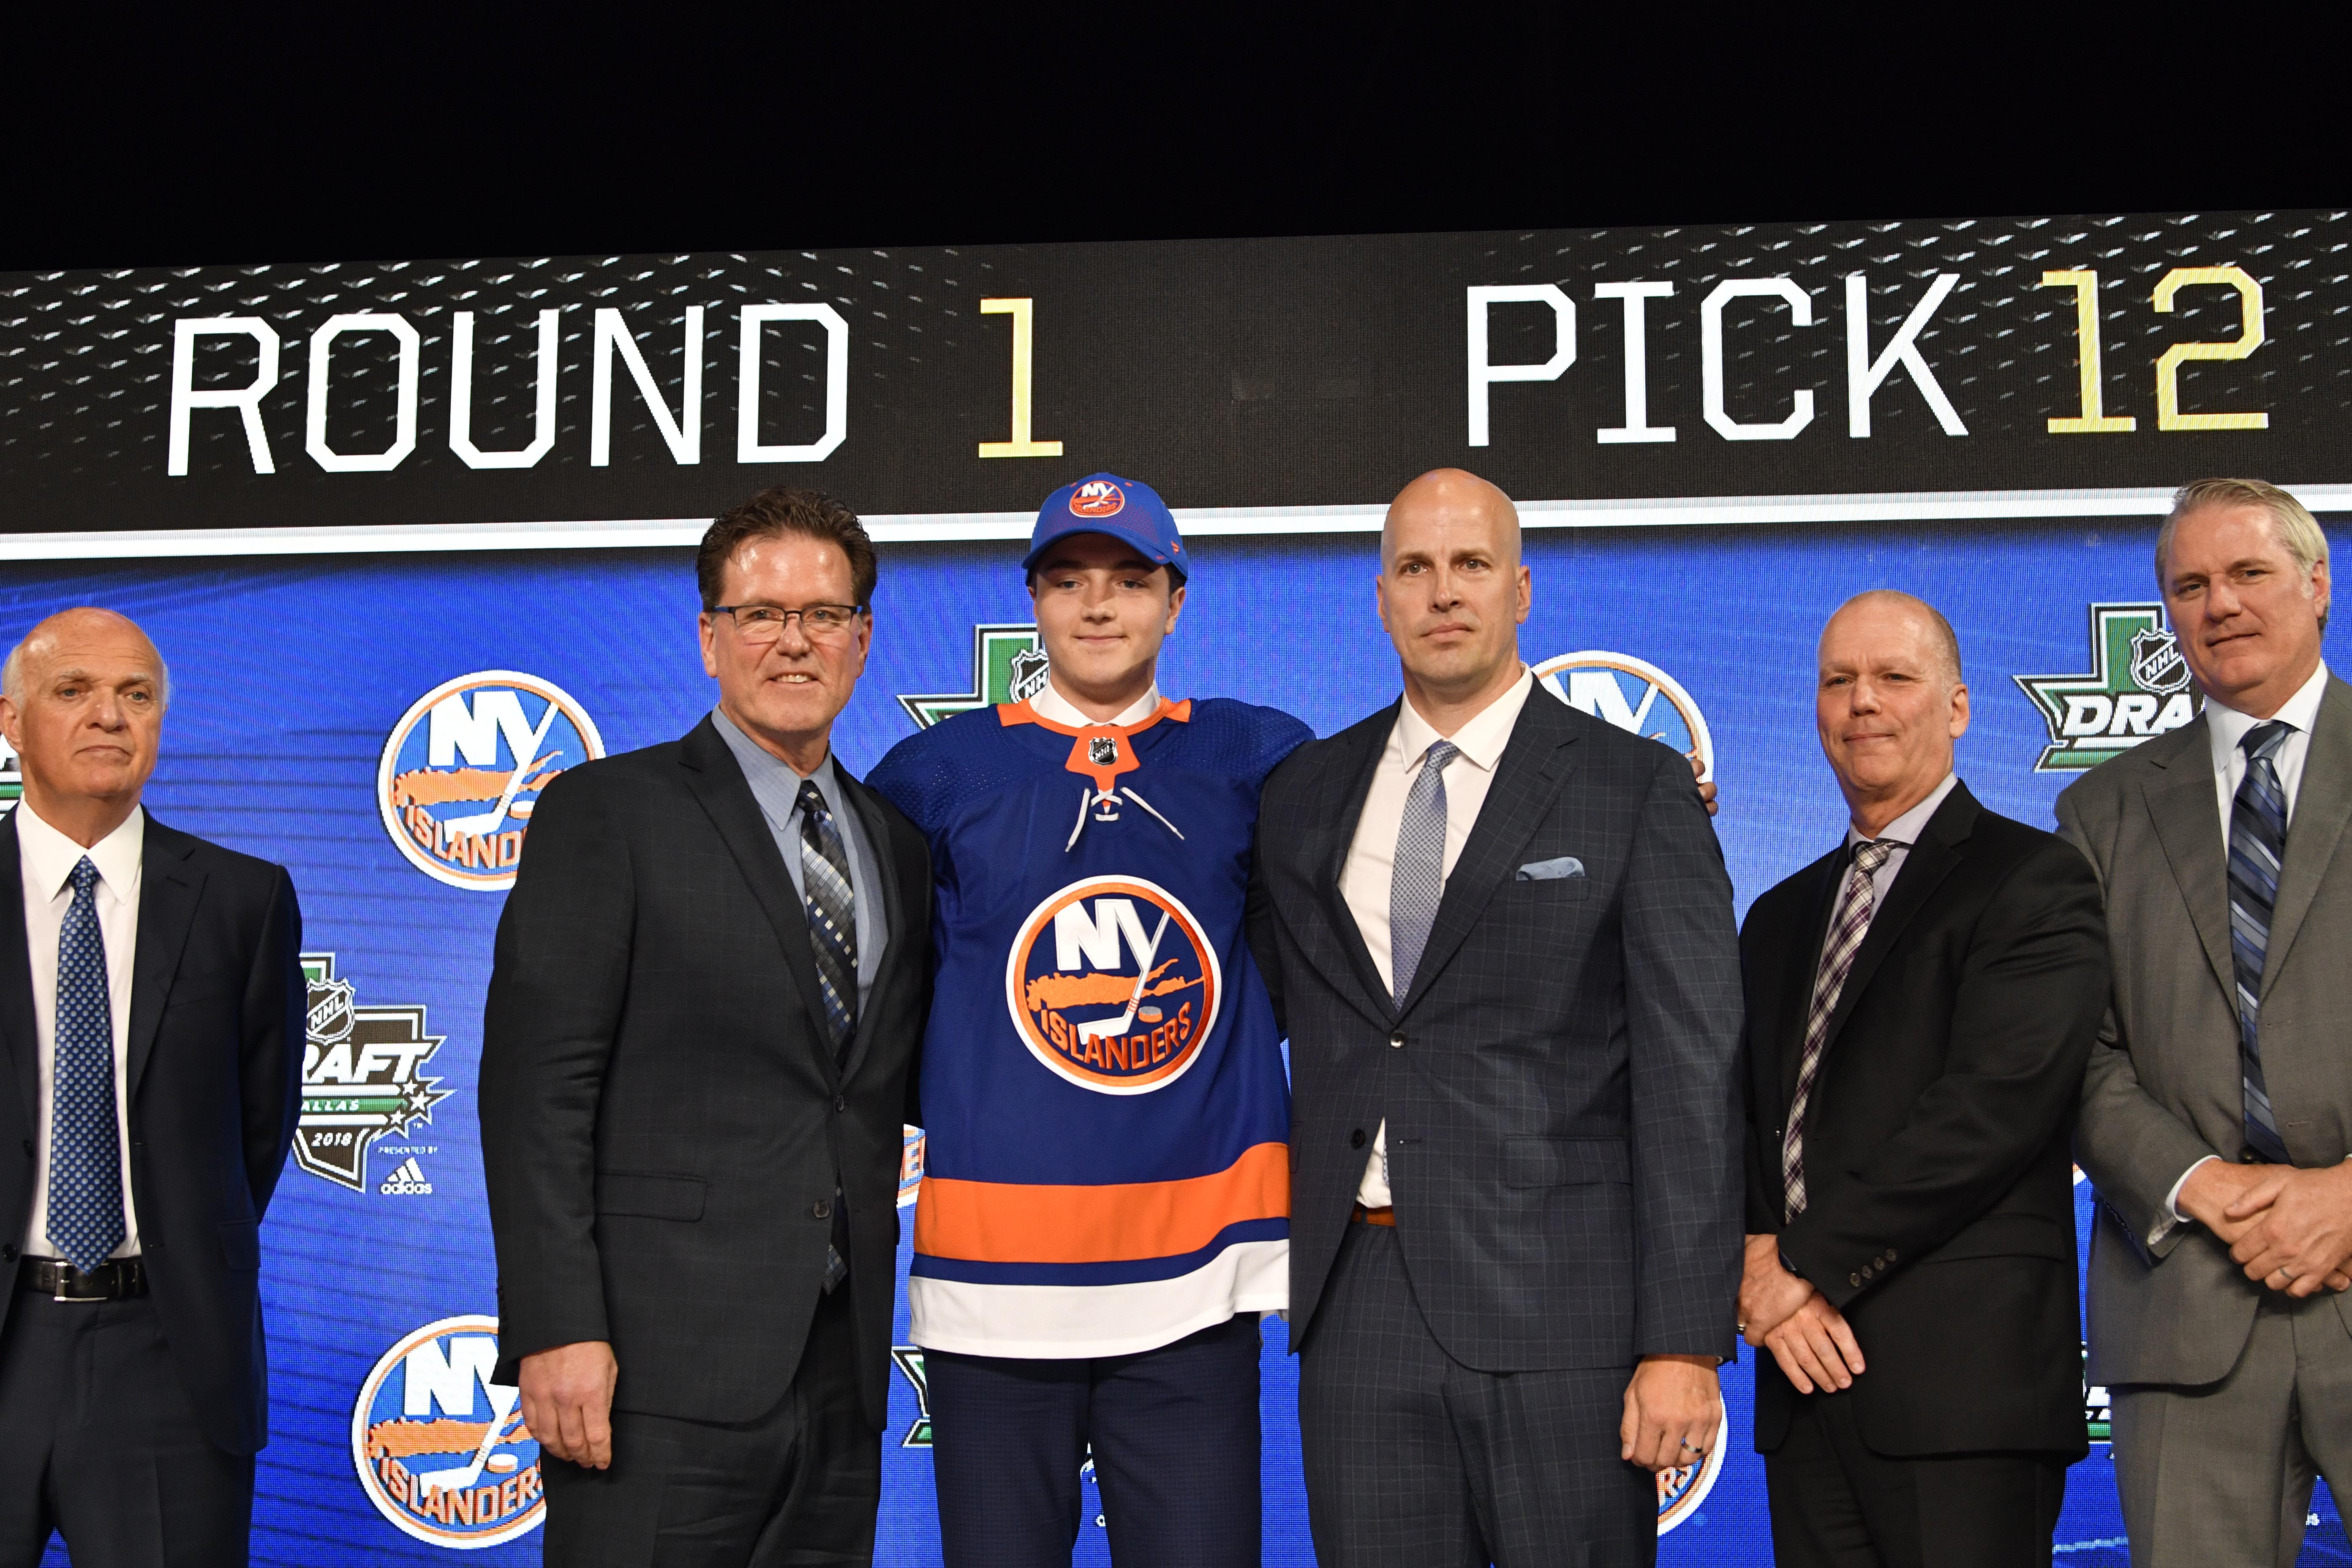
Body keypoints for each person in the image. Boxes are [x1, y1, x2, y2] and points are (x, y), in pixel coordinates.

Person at [1250, 467, 1742, 1568]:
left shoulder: (1634, 788)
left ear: (1521, 589)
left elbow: (1692, 1077)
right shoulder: (1304, 796)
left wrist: (1682, 1343)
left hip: (1564, 1316)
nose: (1443, 593)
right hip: (1355, 1307)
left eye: (1471, 565)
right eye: (1415, 569)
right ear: (1380, 597)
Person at [480, 488, 931, 1566]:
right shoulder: (608, 813)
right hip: (649, 1371)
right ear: (709, 635)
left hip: (840, 1370)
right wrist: (555, 1326)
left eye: (824, 614)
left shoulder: (897, 844)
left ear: (862, 638)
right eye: (761, 612)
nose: (794, 640)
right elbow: (537, 1090)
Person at [866, 473, 1309, 1567]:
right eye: (1069, 581)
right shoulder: (931, 773)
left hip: (1192, 1294)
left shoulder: (1255, 757)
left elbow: (1395, 857)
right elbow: (877, 998)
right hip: (993, 1299)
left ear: (1176, 601)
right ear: (1034, 599)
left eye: (1128, 581)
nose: (1099, 606)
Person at [1735, 591, 2107, 1567]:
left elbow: (1994, 1108)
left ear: (1957, 707)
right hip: (1799, 1383)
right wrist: (1749, 1261)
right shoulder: (1777, 916)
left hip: (1961, 1390)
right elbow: (1743, 1122)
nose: (1864, 701)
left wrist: (1800, 1266)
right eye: (1838, 680)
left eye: (1895, 677)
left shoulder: (2034, 879)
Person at [2061, 478, 2352, 1568]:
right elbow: (2077, 1054)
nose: (2218, 603)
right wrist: (2202, 1184)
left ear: (2318, 585)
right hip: (2185, 1305)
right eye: (2189, 585)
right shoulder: (2098, 811)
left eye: (2248, 573)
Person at [0, 608, 304, 1568]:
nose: (109, 715)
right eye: (73, 690)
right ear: (11, 720)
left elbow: (258, 1126)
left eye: (136, 695)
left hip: (167, 1354)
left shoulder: (243, 901)